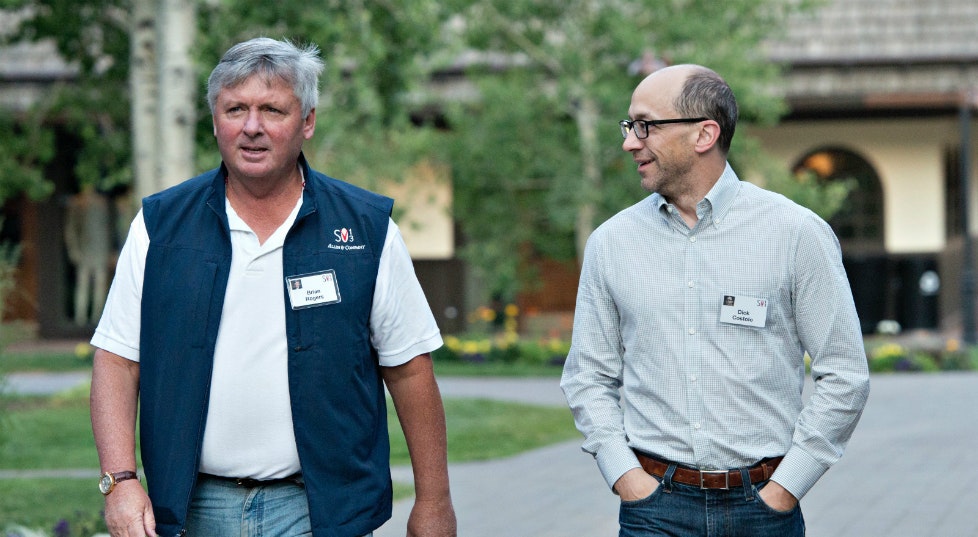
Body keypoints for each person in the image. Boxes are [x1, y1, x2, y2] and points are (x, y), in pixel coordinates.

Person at [90, 37, 456, 537]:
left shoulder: (365, 229)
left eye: (272, 110)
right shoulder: (160, 226)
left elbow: (411, 370)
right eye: (235, 109)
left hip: (321, 511)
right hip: (191, 511)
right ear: (215, 120)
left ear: (307, 120)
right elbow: (117, 359)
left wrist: (434, 502)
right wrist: (121, 481)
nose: (252, 127)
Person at [560, 64, 870, 536]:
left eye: (645, 125)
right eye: (629, 127)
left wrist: (785, 488)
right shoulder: (611, 243)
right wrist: (625, 476)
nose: (629, 142)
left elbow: (845, 374)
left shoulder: (796, 233)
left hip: (763, 510)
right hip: (653, 509)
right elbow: (588, 376)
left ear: (705, 133)